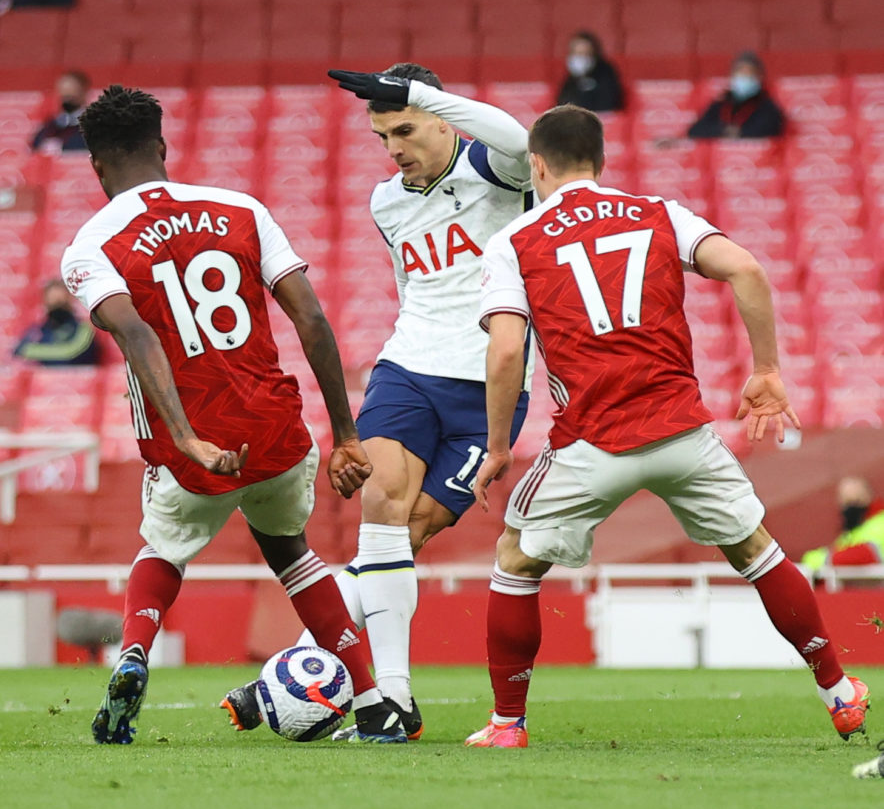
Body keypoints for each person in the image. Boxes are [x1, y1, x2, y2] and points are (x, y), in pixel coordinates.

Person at [465, 103, 869, 749]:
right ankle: (838, 689)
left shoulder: (515, 240)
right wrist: (766, 370)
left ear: (536, 165)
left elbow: (507, 350)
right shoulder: (658, 212)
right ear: (599, 160)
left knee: (516, 562)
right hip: (683, 434)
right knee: (757, 553)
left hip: (590, 442)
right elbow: (748, 269)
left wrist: (494, 447)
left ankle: (508, 724)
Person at [61, 85, 406, 745]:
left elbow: (134, 334)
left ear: (97, 166)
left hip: (193, 453)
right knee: (292, 552)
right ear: (162, 147)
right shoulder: (240, 209)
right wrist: (347, 434)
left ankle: (133, 651)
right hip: (277, 432)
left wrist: (187, 437)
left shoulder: (90, 246)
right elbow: (310, 315)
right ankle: (371, 701)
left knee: (162, 548)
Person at [223, 64, 534, 741]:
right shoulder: (386, 201)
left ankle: (289, 667)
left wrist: (423, 96)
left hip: (489, 387)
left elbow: (519, 136)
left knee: (411, 534)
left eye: (405, 129)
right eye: (382, 135)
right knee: (382, 509)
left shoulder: (497, 172)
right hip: (408, 369)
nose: (393, 148)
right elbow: (411, 286)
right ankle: (390, 698)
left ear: (441, 118)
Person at [687, 51, 785, 139]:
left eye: (749, 73)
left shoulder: (767, 105)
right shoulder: (722, 103)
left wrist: (740, 132)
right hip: (720, 156)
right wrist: (723, 131)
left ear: (759, 77)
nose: (744, 76)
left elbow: (770, 129)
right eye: (740, 72)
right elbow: (695, 130)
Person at [802, 476, 884, 575]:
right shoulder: (849, 533)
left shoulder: (880, 522)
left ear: (869, 497)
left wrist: (820, 559)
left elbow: (866, 554)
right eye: (847, 502)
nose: (851, 506)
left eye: (856, 500)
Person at [13, 277, 99, 365]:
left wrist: (37, 352)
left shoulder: (84, 329)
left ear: (70, 300)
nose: (57, 306)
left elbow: (72, 356)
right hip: (42, 378)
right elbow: (19, 352)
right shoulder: (37, 330)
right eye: (52, 301)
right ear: (45, 302)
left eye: (60, 301)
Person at [555, 30, 624, 113]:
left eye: (585, 53)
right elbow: (561, 102)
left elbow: (609, 101)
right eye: (577, 53)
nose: (580, 58)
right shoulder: (570, 77)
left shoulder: (605, 72)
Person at [31, 70, 90, 152]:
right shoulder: (50, 125)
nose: (66, 101)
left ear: (83, 93)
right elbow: (35, 146)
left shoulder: (91, 126)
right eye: (63, 97)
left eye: (70, 97)